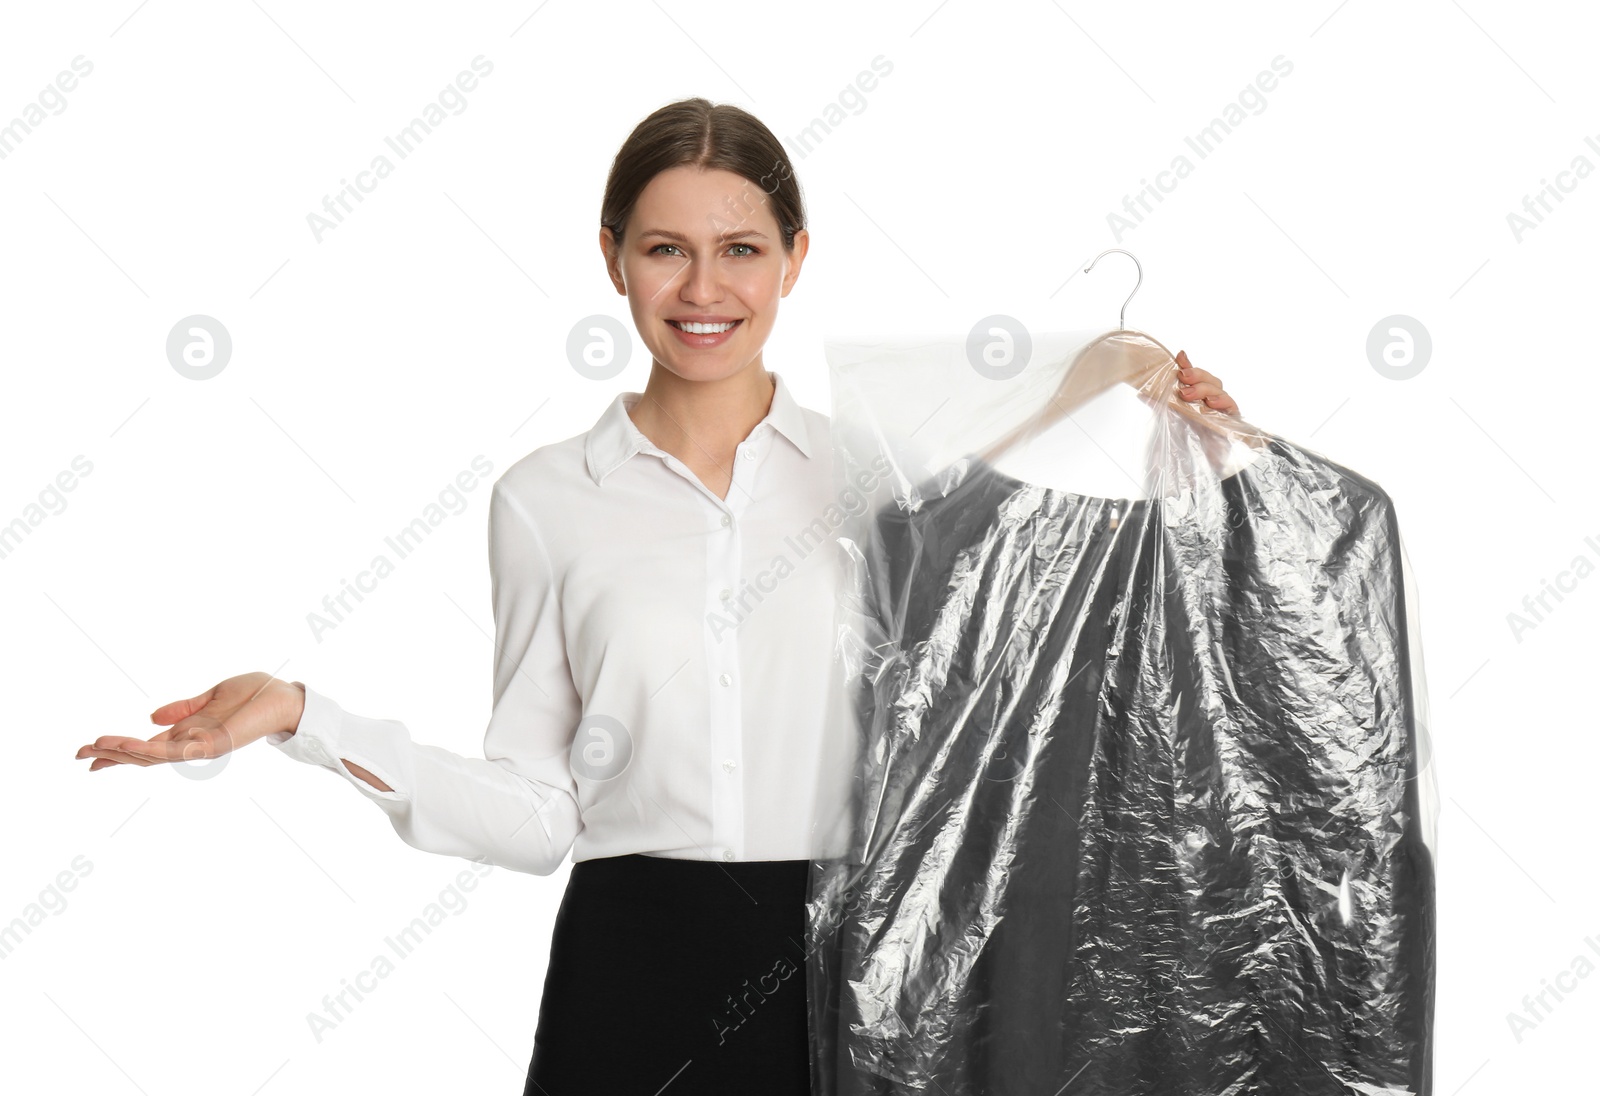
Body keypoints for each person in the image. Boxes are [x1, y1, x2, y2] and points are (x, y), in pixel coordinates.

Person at [74, 97, 1241, 1094]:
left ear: (793, 256)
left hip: (855, 972)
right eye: (663, 248)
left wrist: (1178, 424)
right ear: (612, 256)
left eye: (739, 249)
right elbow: (541, 813)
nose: (702, 287)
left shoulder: (884, 477)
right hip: (627, 977)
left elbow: (1069, 547)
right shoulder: (543, 499)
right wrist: (304, 717)